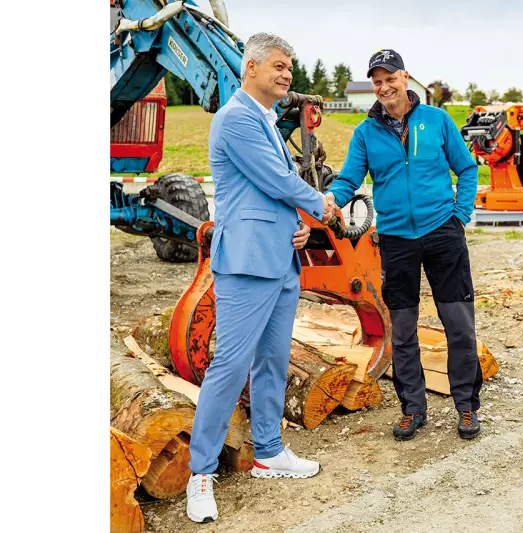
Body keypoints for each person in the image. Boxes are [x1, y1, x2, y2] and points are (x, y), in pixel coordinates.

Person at [185, 33, 335, 523]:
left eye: (290, 66)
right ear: (250, 67)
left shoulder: (266, 119)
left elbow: (264, 196)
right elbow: (276, 179)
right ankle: (200, 473)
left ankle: (269, 452)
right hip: (247, 262)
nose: (287, 74)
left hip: (280, 258)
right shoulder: (236, 120)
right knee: (230, 364)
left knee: (272, 360)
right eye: (278, 65)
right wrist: (320, 205)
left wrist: (294, 226)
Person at [325, 49, 483, 442]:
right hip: (395, 240)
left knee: (459, 325)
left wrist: (459, 216)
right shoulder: (365, 132)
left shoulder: (437, 120)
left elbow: (466, 169)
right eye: (377, 81)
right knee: (404, 331)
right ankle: (413, 409)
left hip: (443, 234)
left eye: (389, 78)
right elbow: (348, 180)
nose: (384, 87)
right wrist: (328, 200)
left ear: (405, 77)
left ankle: (466, 406)